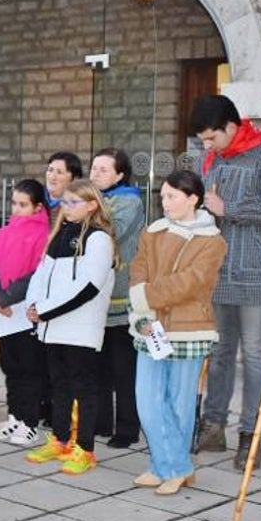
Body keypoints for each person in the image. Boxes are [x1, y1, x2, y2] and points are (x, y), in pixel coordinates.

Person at [191, 95, 261, 470]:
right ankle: (214, 425)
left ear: (231, 127)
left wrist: (226, 209)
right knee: (219, 352)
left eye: (210, 139)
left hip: (257, 267)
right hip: (219, 267)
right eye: (202, 141)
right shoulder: (214, 158)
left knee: (252, 354)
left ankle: (251, 435)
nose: (207, 147)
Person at [129, 170, 227, 495]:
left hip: (189, 329)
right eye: (163, 197)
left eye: (172, 196)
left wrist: (147, 294)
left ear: (193, 198)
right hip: (151, 325)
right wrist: (142, 303)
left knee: (179, 403)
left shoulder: (212, 242)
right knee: (147, 399)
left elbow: (191, 282)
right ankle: (174, 466)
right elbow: (138, 268)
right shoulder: (152, 232)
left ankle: (168, 467)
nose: (165, 202)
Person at [23, 180, 116, 475]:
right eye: (64, 202)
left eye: (74, 202)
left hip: (80, 327)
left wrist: (46, 310)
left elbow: (88, 287)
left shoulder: (99, 238)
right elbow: (41, 274)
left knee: (84, 388)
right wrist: (33, 304)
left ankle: (85, 448)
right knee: (58, 385)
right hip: (52, 325)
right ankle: (61, 439)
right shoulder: (60, 235)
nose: (67, 207)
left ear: (92, 204)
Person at [0, 178, 50, 446]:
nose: (17, 209)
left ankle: (30, 422)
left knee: (29, 368)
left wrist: (8, 297)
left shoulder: (44, 234)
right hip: (4, 312)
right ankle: (14, 417)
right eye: (14, 203)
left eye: (23, 205)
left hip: (24, 311)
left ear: (37, 207)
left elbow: (37, 273)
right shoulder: (4, 232)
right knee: (9, 366)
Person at [89, 148, 144, 449]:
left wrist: (86, 214)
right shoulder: (95, 200)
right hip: (97, 298)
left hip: (122, 297)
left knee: (124, 368)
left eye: (103, 170)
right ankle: (100, 422)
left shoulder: (128, 201)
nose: (95, 174)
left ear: (120, 175)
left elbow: (113, 233)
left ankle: (127, 428)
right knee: (99, 366)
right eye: (94, 168)